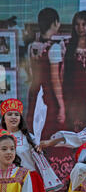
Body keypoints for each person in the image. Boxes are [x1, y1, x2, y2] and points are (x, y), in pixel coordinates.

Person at [1, 98, 65, 192]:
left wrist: (49, 186)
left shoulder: (28, 137)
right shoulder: (1, 137)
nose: (13, 117)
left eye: (16, 114)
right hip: (6, 182)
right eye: (9, 114)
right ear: (4, 117)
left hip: (30, 180)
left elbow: (42, 163)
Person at [26, 8, 65, 139]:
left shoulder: (31, 46)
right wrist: (61, 105)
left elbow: (32, 72)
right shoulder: (54, 48)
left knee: (35, 129)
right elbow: (55, 80)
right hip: (48, 96)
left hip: (34, 89)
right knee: (48, 131)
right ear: (54, 23)